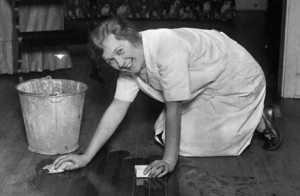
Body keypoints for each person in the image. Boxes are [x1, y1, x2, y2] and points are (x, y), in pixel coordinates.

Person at [54, 16, 282, 178]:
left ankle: (259, 118)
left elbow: (174, 107)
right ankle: (250, 116)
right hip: (206, 85)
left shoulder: (167, 50)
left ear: (133, 38)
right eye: (110, 61)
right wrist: (86, 157)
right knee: (165, 135)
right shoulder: (129, 65)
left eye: (120, 51)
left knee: (188, 143)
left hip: (236, 77)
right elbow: (117, 108)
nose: (119, 63)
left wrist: (169, 161)